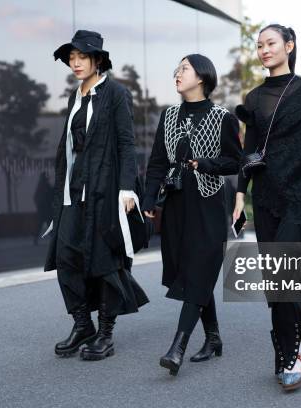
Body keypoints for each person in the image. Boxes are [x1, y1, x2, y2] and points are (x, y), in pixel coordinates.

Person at [232, 24, 301, 391]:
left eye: (271, 43)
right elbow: (249, 151)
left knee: (284, 274)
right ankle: (291, 343)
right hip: (265, 197)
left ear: (289, 46)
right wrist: (239, 195)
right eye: (259, 45)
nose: (264, 50)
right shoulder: (252, 97)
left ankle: (291, 355)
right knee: (275, 280)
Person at [45, 30, 148, 361]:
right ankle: (82, 324)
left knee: (104, 260)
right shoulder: (75, 97)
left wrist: (127, 187)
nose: (75, 63)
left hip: (105, 191)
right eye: (71, 58)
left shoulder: (116, 93)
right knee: (66, 256)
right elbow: (68, 149)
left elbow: (126, 142)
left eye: (81, 57)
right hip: (74, 193)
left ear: (97, 60)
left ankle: (105, 333)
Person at [142, 54, 241, 376]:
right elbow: (158, 161)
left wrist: (205, 163)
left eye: (184, 68)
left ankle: (177, 347)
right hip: (176, 206)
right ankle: (213, 338)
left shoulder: (222, 116)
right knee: (192, 271)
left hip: (208, 206)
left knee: (200, 269)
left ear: (201, 76)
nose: (177, 73)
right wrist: (149, 198)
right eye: (177, 68)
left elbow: (235, 162)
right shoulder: (168, 115)